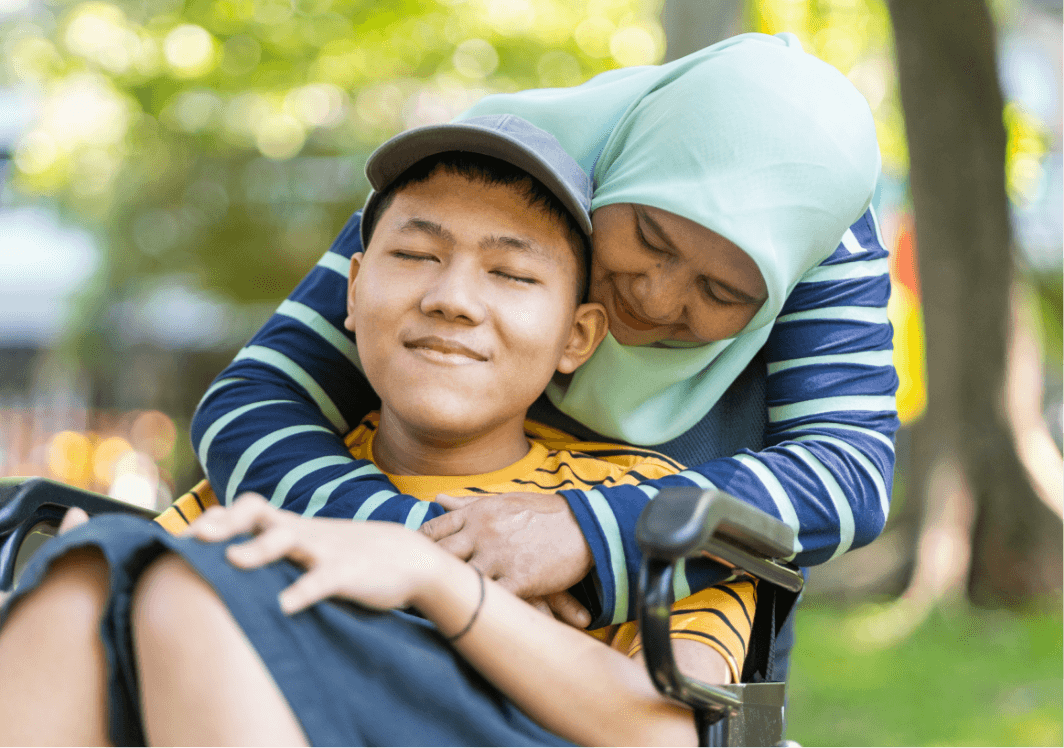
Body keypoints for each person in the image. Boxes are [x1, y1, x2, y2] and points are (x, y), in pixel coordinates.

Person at [0, 118, 754, 747]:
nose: (452, 298)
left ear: (577, 337)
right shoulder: (269, 487)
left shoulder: (647, 505)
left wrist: (431, 576)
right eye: (417, 256)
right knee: (87, 580)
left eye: (512, 276)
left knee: (183, 585)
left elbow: (666, 736)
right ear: (353, 292)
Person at [189, 31, 899, 672]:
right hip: (377, 605)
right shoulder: (490, 167)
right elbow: (255, 402)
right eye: (649, 238)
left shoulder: (818, 222)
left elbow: (849, 475)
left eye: (720, 291)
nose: (653, 300)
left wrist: (594, 535)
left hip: (651, 637)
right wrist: (430, 554)